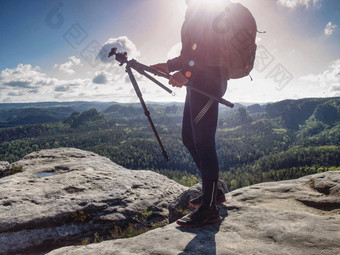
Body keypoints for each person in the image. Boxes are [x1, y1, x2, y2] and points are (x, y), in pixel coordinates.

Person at [151, 0, 228, 228]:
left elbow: (210, 51)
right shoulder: (193, 12)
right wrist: (168, 65)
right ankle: (214, 192)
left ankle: (209, 210)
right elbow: (192, 52)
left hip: (208, 85)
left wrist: (185, 72)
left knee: (204, 143)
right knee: (188, 137)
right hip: (198, 83)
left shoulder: (206, 11)